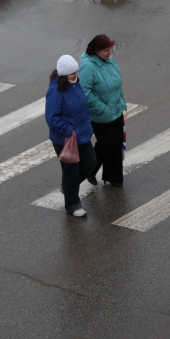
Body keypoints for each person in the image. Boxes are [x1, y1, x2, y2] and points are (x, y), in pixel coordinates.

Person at [45, 54, 97, 217]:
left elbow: (83, 103)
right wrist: (68, 130)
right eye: (71, 73)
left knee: (90, 164)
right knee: (71, 171)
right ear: (63, 75)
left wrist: (88, 117)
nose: (75, 75)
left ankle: (67, 187)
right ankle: (73, 205)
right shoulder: (56, 91)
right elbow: (51, 117)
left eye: (76, 72)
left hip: (82, 134)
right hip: (65, 139)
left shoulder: (75, 84)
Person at [78, 35, 127, 187]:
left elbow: (116, 83)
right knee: (105, 144)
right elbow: (84, 93)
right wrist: (102, 108)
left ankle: (114, 177)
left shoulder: (109, 61)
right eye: (106, 50)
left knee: (116, 144)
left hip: (116, 110)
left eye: (110, 49)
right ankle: (88, 171)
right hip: (100, 114)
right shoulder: (88, 67)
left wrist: (121, 102)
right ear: (96, 51)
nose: (109, 53)